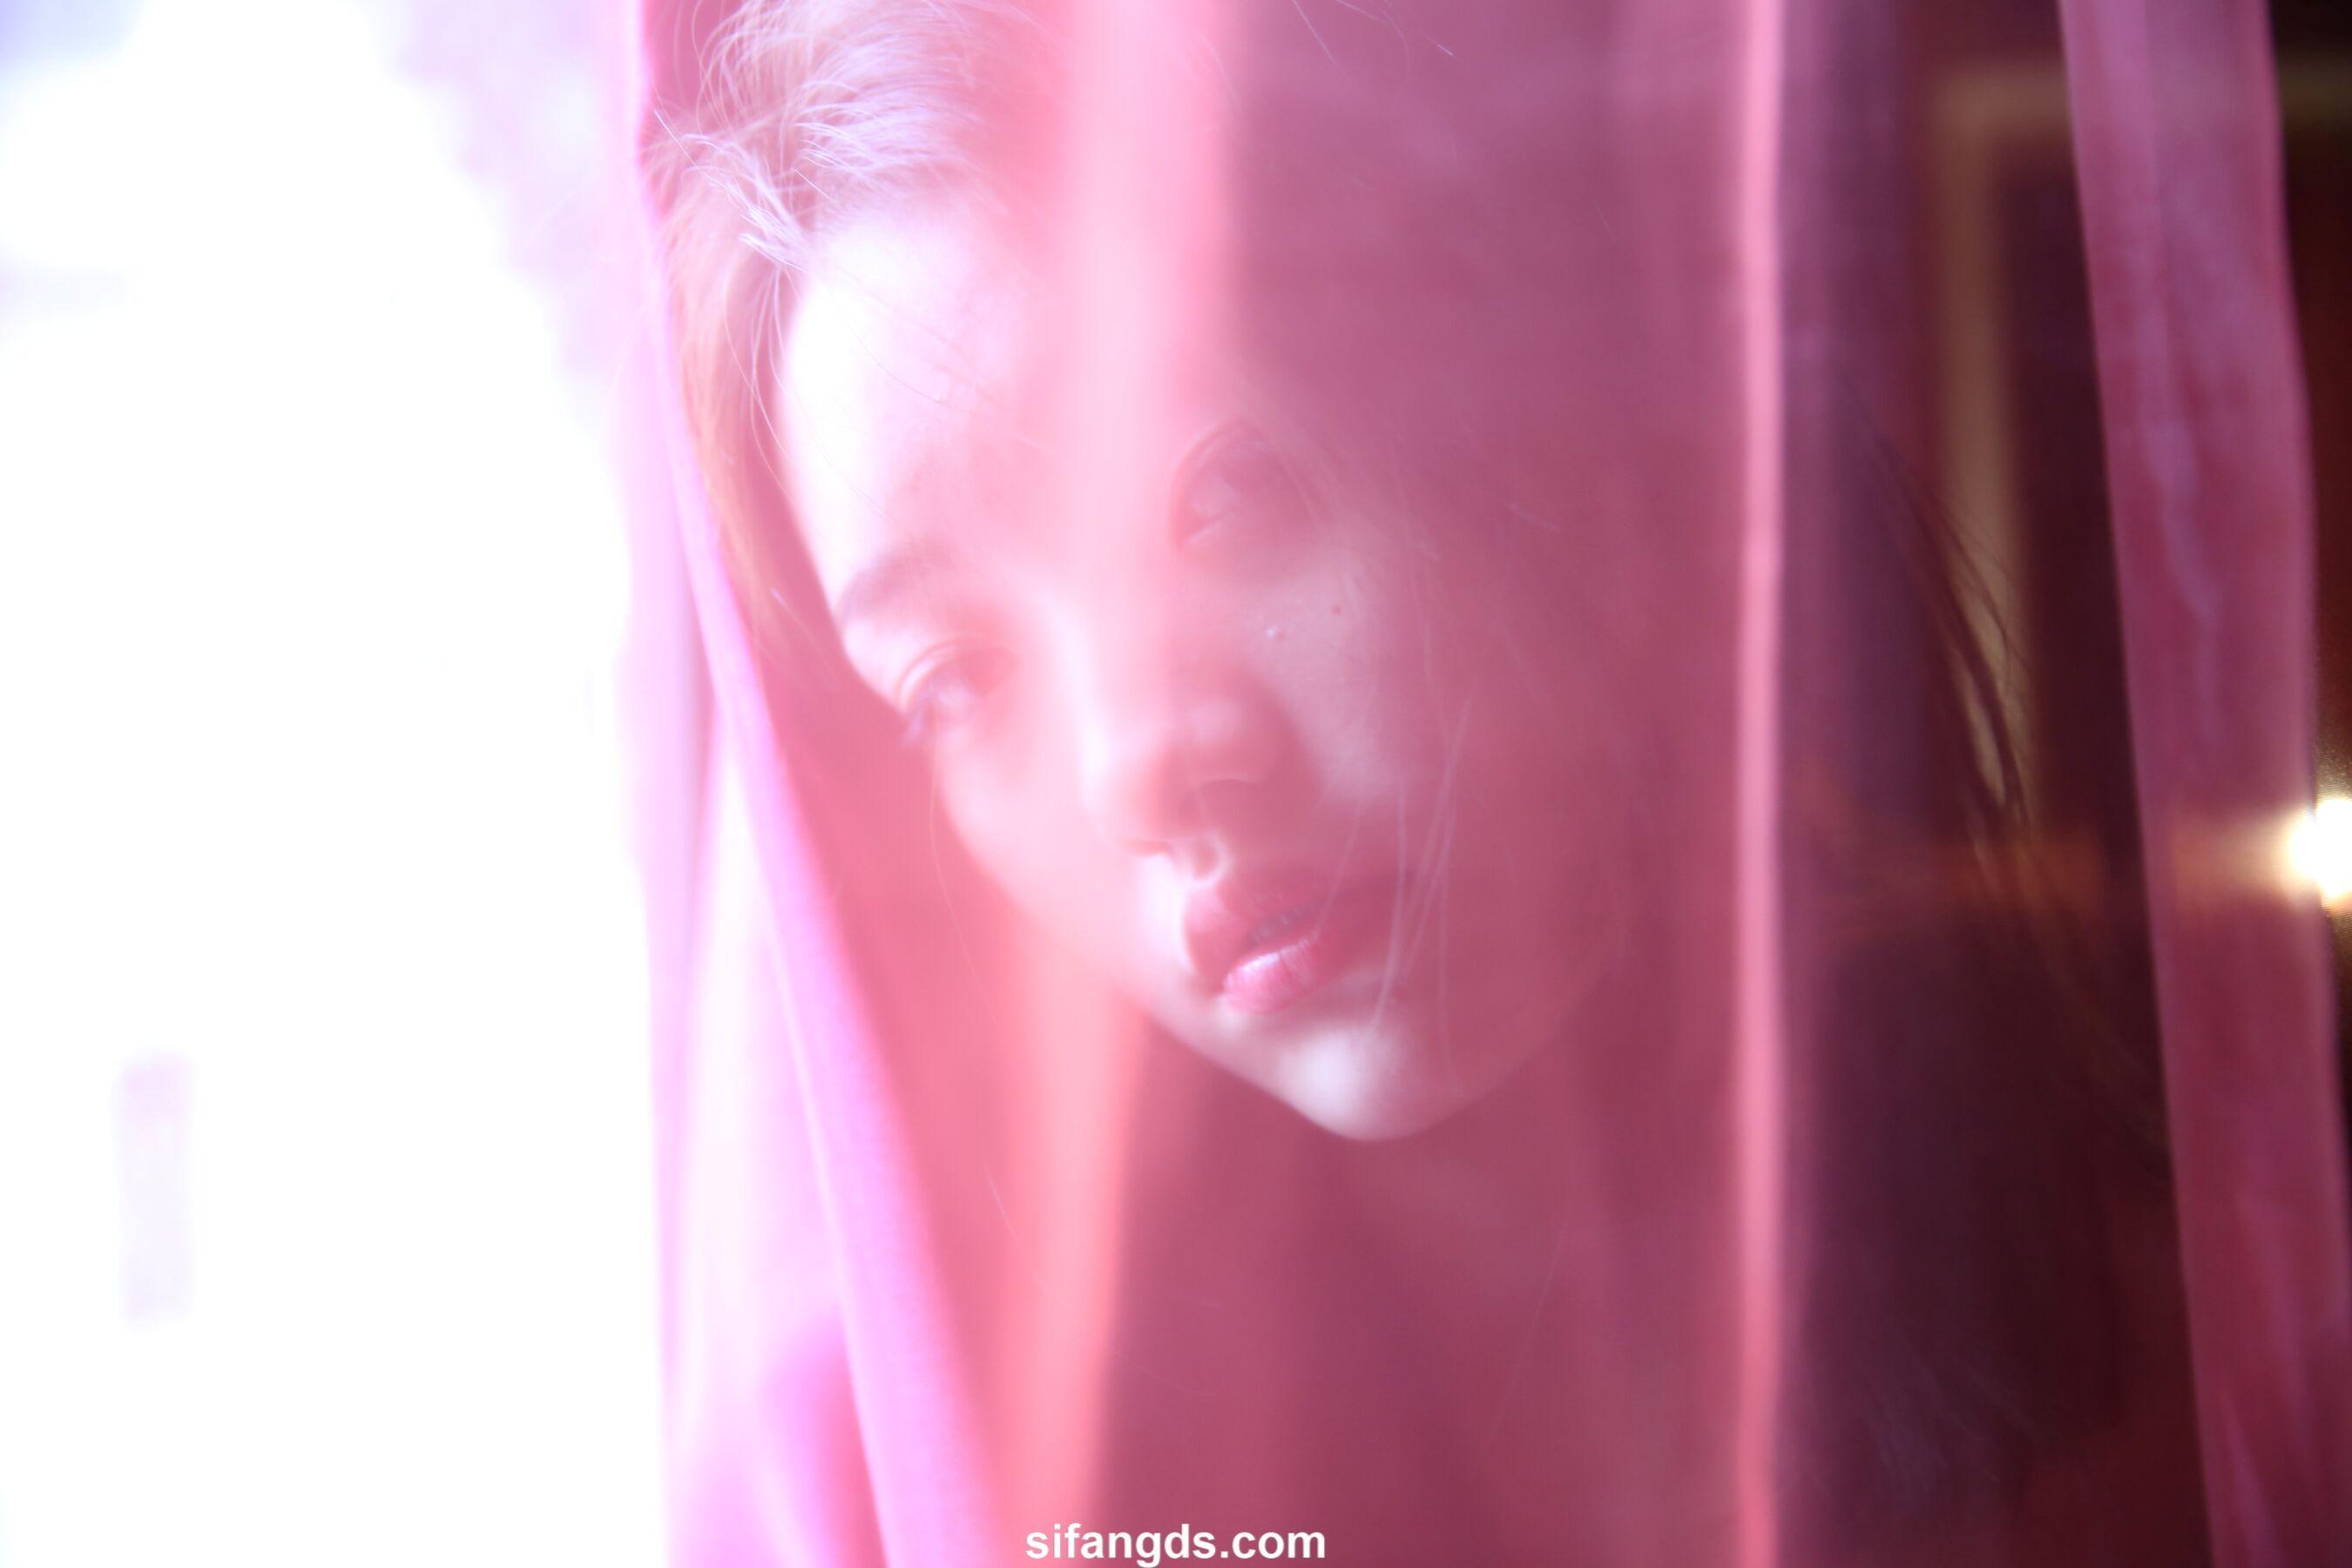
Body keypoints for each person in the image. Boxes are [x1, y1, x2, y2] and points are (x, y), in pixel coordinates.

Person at [642, 1, 2217, 1560]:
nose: (1140, 773)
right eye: (957, 679)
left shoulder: (2229, 1375)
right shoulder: (985, 1491)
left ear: (1576, 441)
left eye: (1227, 492)